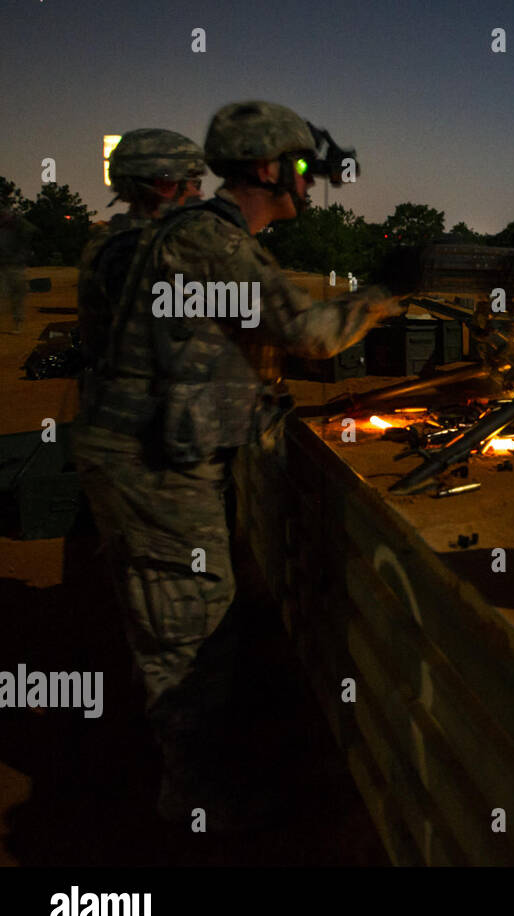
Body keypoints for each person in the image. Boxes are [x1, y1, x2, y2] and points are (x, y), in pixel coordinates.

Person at [70, 101, 401, 829]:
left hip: (154, 454)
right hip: (151, 466)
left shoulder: (205, 237)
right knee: (193, 629)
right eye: (304, 168)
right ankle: (193, 802)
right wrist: (389, 288)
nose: (313, 184)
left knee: (182, 613)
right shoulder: (208, 242)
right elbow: (311, 333)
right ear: (266, 168)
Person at [77, 128, 207, 401]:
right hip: (138, 423)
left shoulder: (112, 239)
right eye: (193, 181)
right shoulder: (141, 251)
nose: (200, 193)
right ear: (165, 184)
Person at [0, 206, 36, 333]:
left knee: (17, 297)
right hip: (4, 268)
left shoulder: (19, 229)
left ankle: (18, 323)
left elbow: (31, 230)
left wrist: (17, 219)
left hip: (16, 267)